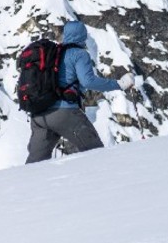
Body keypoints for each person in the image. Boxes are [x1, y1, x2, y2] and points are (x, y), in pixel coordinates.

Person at [26, 20, 134, 163]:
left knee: (35, 164)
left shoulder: (51, 55)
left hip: (39, 114)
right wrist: (120, 84)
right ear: (82, 36)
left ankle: (24, 185)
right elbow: (88, 81)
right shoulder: (78, 54)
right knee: (97, 154)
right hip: (64, 113)